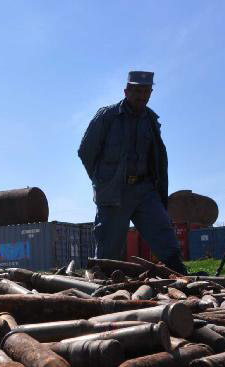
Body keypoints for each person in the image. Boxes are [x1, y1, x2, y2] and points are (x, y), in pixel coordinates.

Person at [77, 71, 187, 274]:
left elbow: (158, 158)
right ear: (126, 91)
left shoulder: (151, 120)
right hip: (114, 191)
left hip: (145, 190)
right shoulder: (107, 116)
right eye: (136, 90)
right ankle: (105, 285)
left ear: (151, 92)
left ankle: (180, 273)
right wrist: (103, 180)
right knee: (109, 247)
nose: (141, 95)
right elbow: (86, 152)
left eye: (146, 91)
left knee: (163, 231)